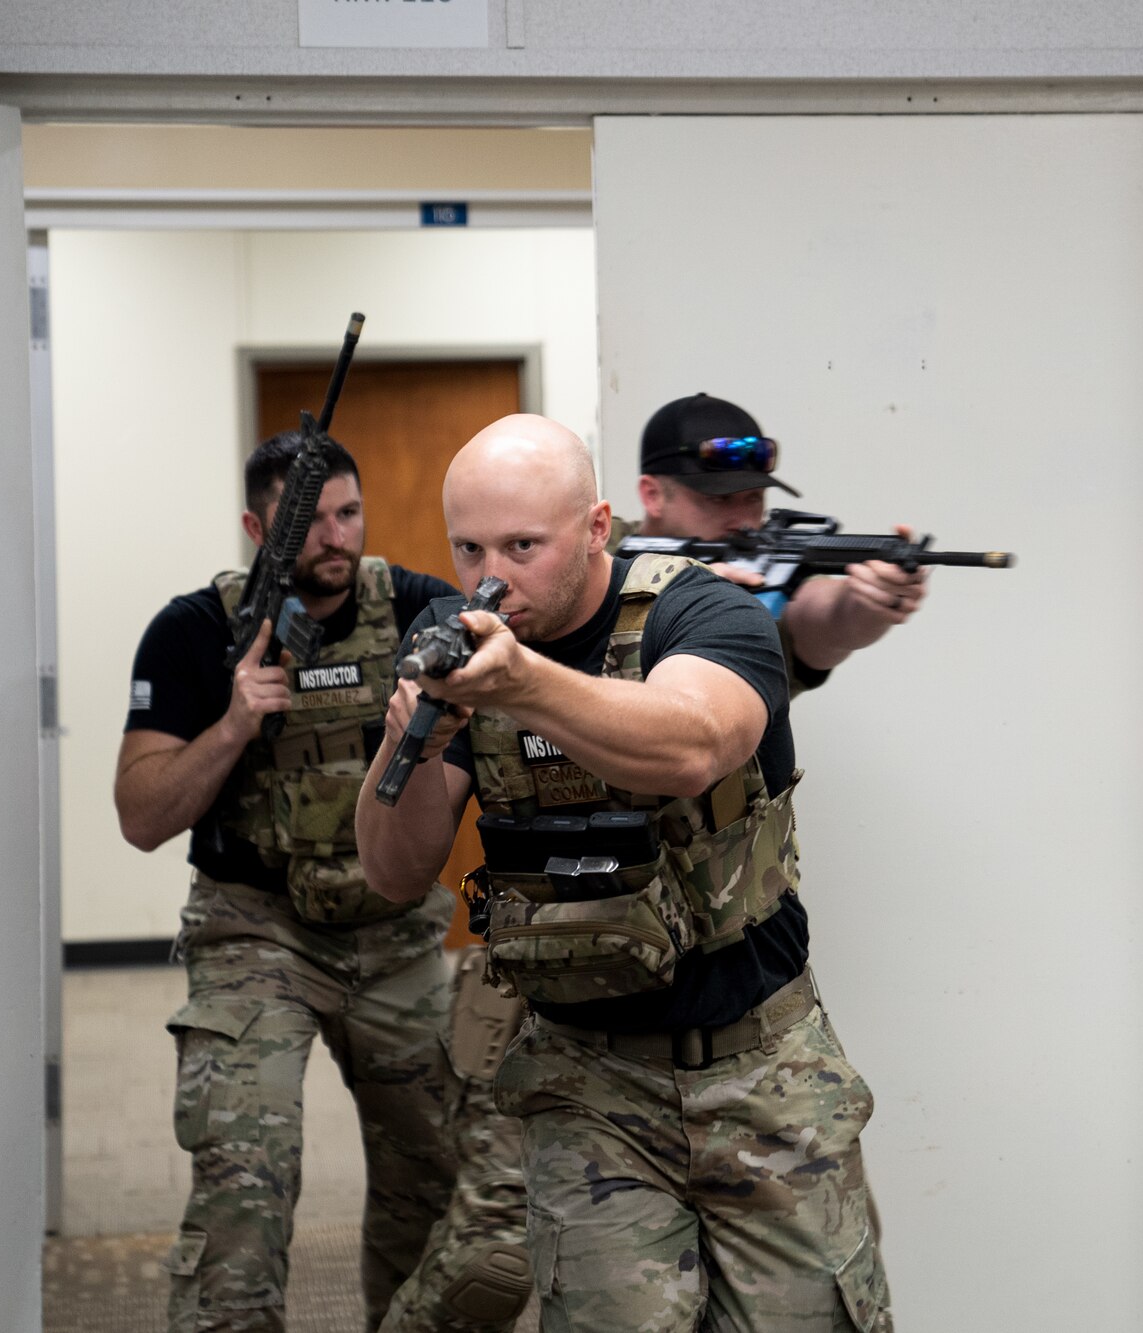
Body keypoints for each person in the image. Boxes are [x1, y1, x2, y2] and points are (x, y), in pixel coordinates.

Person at [356, 415, 892, 1332]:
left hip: (759, 1066)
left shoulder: (704, 613)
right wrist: (411, 741)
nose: (492, 576)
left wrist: (523, 685)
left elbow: (693, 744)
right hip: (585, 1078)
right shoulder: (454, 641)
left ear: (597, 526)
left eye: (524, 546)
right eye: (470, 547)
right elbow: (394, 872)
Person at [115, 430, 474, 1333]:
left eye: (349, 513)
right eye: (309, 521)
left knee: (439, 1180)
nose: (335, 536)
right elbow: (141, 815)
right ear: (256, 529)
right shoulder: (194, 632)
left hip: (394, 935)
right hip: (256, 933)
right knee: (245, 1175)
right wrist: (233, 724)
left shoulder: (422, 610)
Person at [617, 392, 928, 684]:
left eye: (754, 498)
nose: (743, 520)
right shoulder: (602, 545)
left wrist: (866, 602)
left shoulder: (770, 566)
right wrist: (679, 591)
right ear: (652, 495)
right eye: (719, 499)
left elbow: (822, 614)